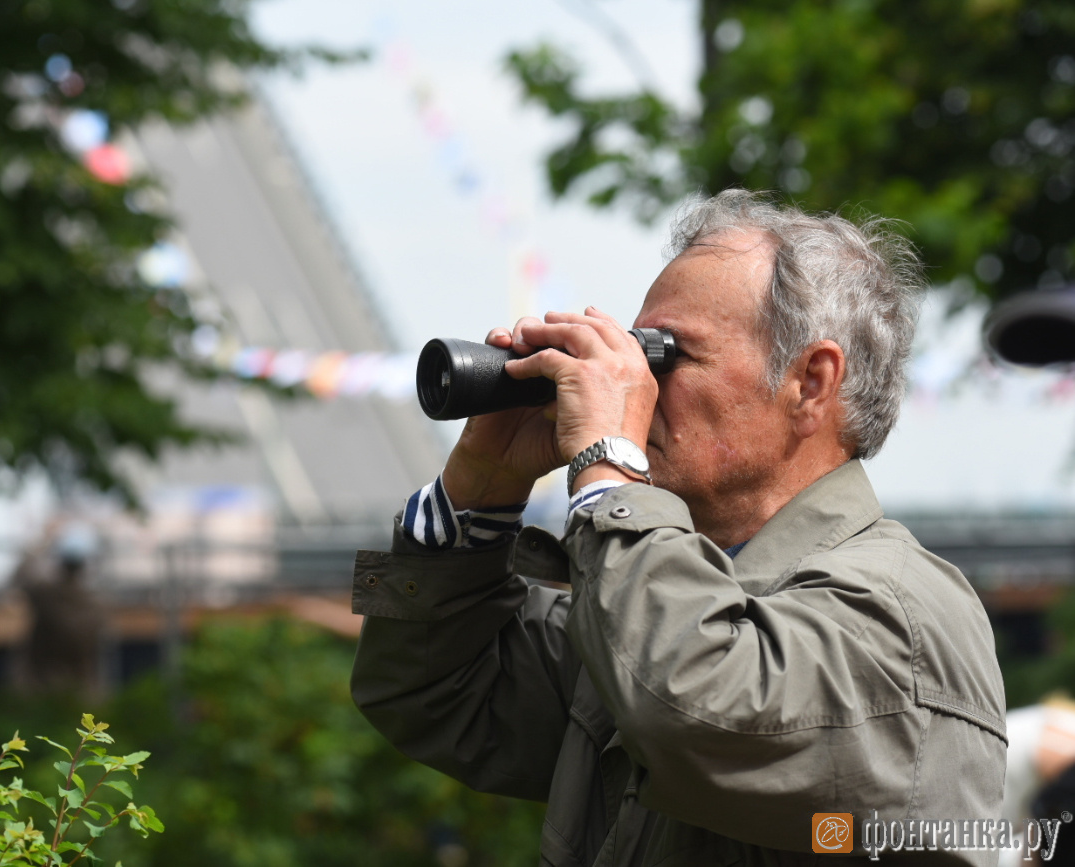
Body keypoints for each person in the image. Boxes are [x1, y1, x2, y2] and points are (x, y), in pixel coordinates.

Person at [349, 190, 1006, 866]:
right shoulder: (651, 601)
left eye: (668, 355)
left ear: (810, 383)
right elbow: (427, 693)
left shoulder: (901, 608)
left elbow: (695, 710)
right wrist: (479, 490)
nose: (641, 387)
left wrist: (608, 470)